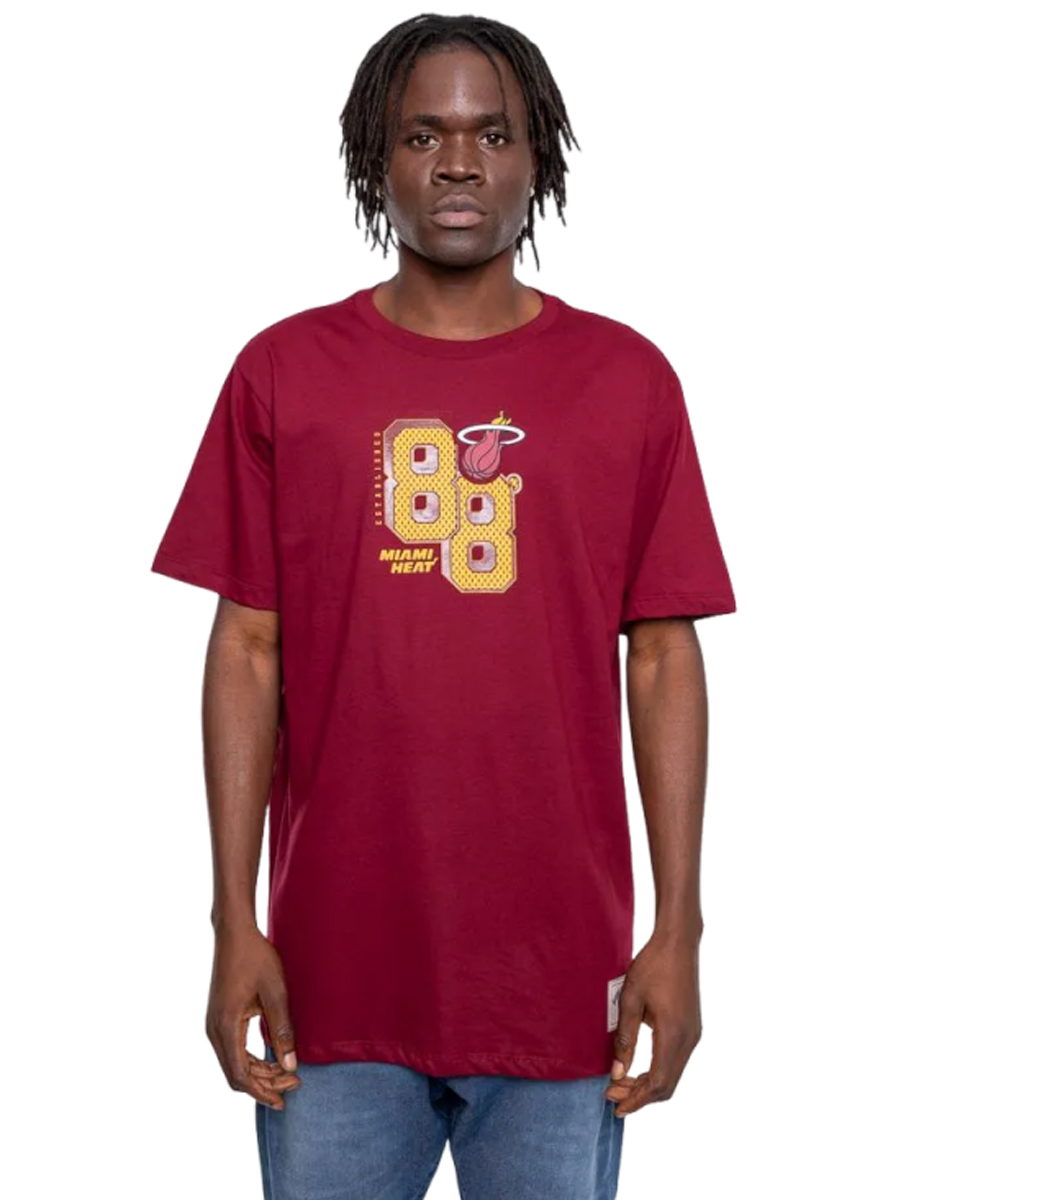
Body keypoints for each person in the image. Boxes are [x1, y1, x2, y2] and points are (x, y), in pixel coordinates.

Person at [150, 13, 736, 1199]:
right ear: (375, 158)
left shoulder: (627, 379)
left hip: (556, 979)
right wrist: (232, 922)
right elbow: (246, 648)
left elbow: (663, 656)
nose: (458, 162)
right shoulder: (283, 372)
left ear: (538, 157)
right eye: (423, 135)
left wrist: (678, 930)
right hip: (332, 981)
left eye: (492, 134)